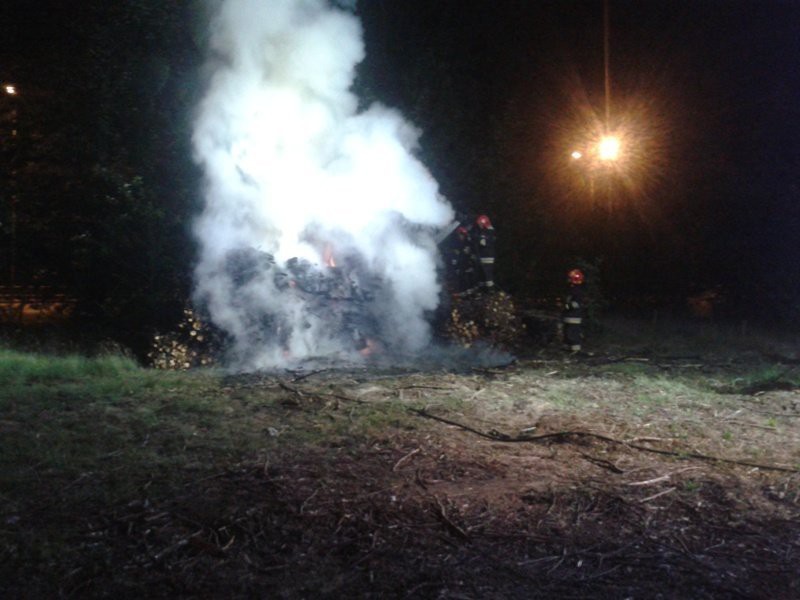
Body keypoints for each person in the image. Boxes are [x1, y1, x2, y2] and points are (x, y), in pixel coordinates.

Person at [562, 268, 585, 353]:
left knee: (572, 334)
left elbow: (575, 304)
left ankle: (575, 350)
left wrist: (566, 306)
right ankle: (567, 349)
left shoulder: (576, 290)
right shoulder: (573, 289)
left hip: (574, 316)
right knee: (567, 333)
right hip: (570, 316)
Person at [473, 214, 496, 290]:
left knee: (488, 275)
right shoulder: (488, 231)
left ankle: (490, 290)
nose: (479, 225)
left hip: (487, 256)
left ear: (484, 223)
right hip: (485, 255)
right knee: (484, 275)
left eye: (480, 224)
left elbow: (483, 243)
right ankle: (486, 289)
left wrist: (478, 239)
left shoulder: (488, 232)